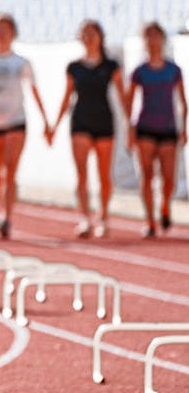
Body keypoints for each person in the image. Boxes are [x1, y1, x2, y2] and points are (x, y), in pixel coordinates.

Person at [46, 20, 126, 238]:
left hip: (104, 122)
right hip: (80, 121)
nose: (89, 37)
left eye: (93, 33)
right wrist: (53, 125)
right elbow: (66, 97)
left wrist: (130, 125)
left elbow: (122, 96)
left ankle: (104, 216)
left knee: (104, 174)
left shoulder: (111, 66)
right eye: (84, 33)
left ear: (100, 36)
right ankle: (84, 218)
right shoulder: (74, 67)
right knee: (81, 174)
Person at [0, 13, 49, 239]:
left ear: (13, 32)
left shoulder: (21, 62)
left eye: (6, 28)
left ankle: (5, 217)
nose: (1, 33)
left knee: (9, 172)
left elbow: (34, 90)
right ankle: (0, 209)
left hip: (16, 121)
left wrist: (46, 121)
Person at [125, 22, 186, 238]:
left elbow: (182, 101)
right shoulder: (139, 72)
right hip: (145, 128)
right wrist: (130, 129)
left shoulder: (173, 70)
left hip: (168, 128)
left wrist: (184, 128)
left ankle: (165, 207)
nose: (152, 40)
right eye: (147, 36)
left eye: (155, 35)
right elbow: (129, 101)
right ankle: (150, 220)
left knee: (169, 178)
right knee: (147, 175)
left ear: (162, 38)